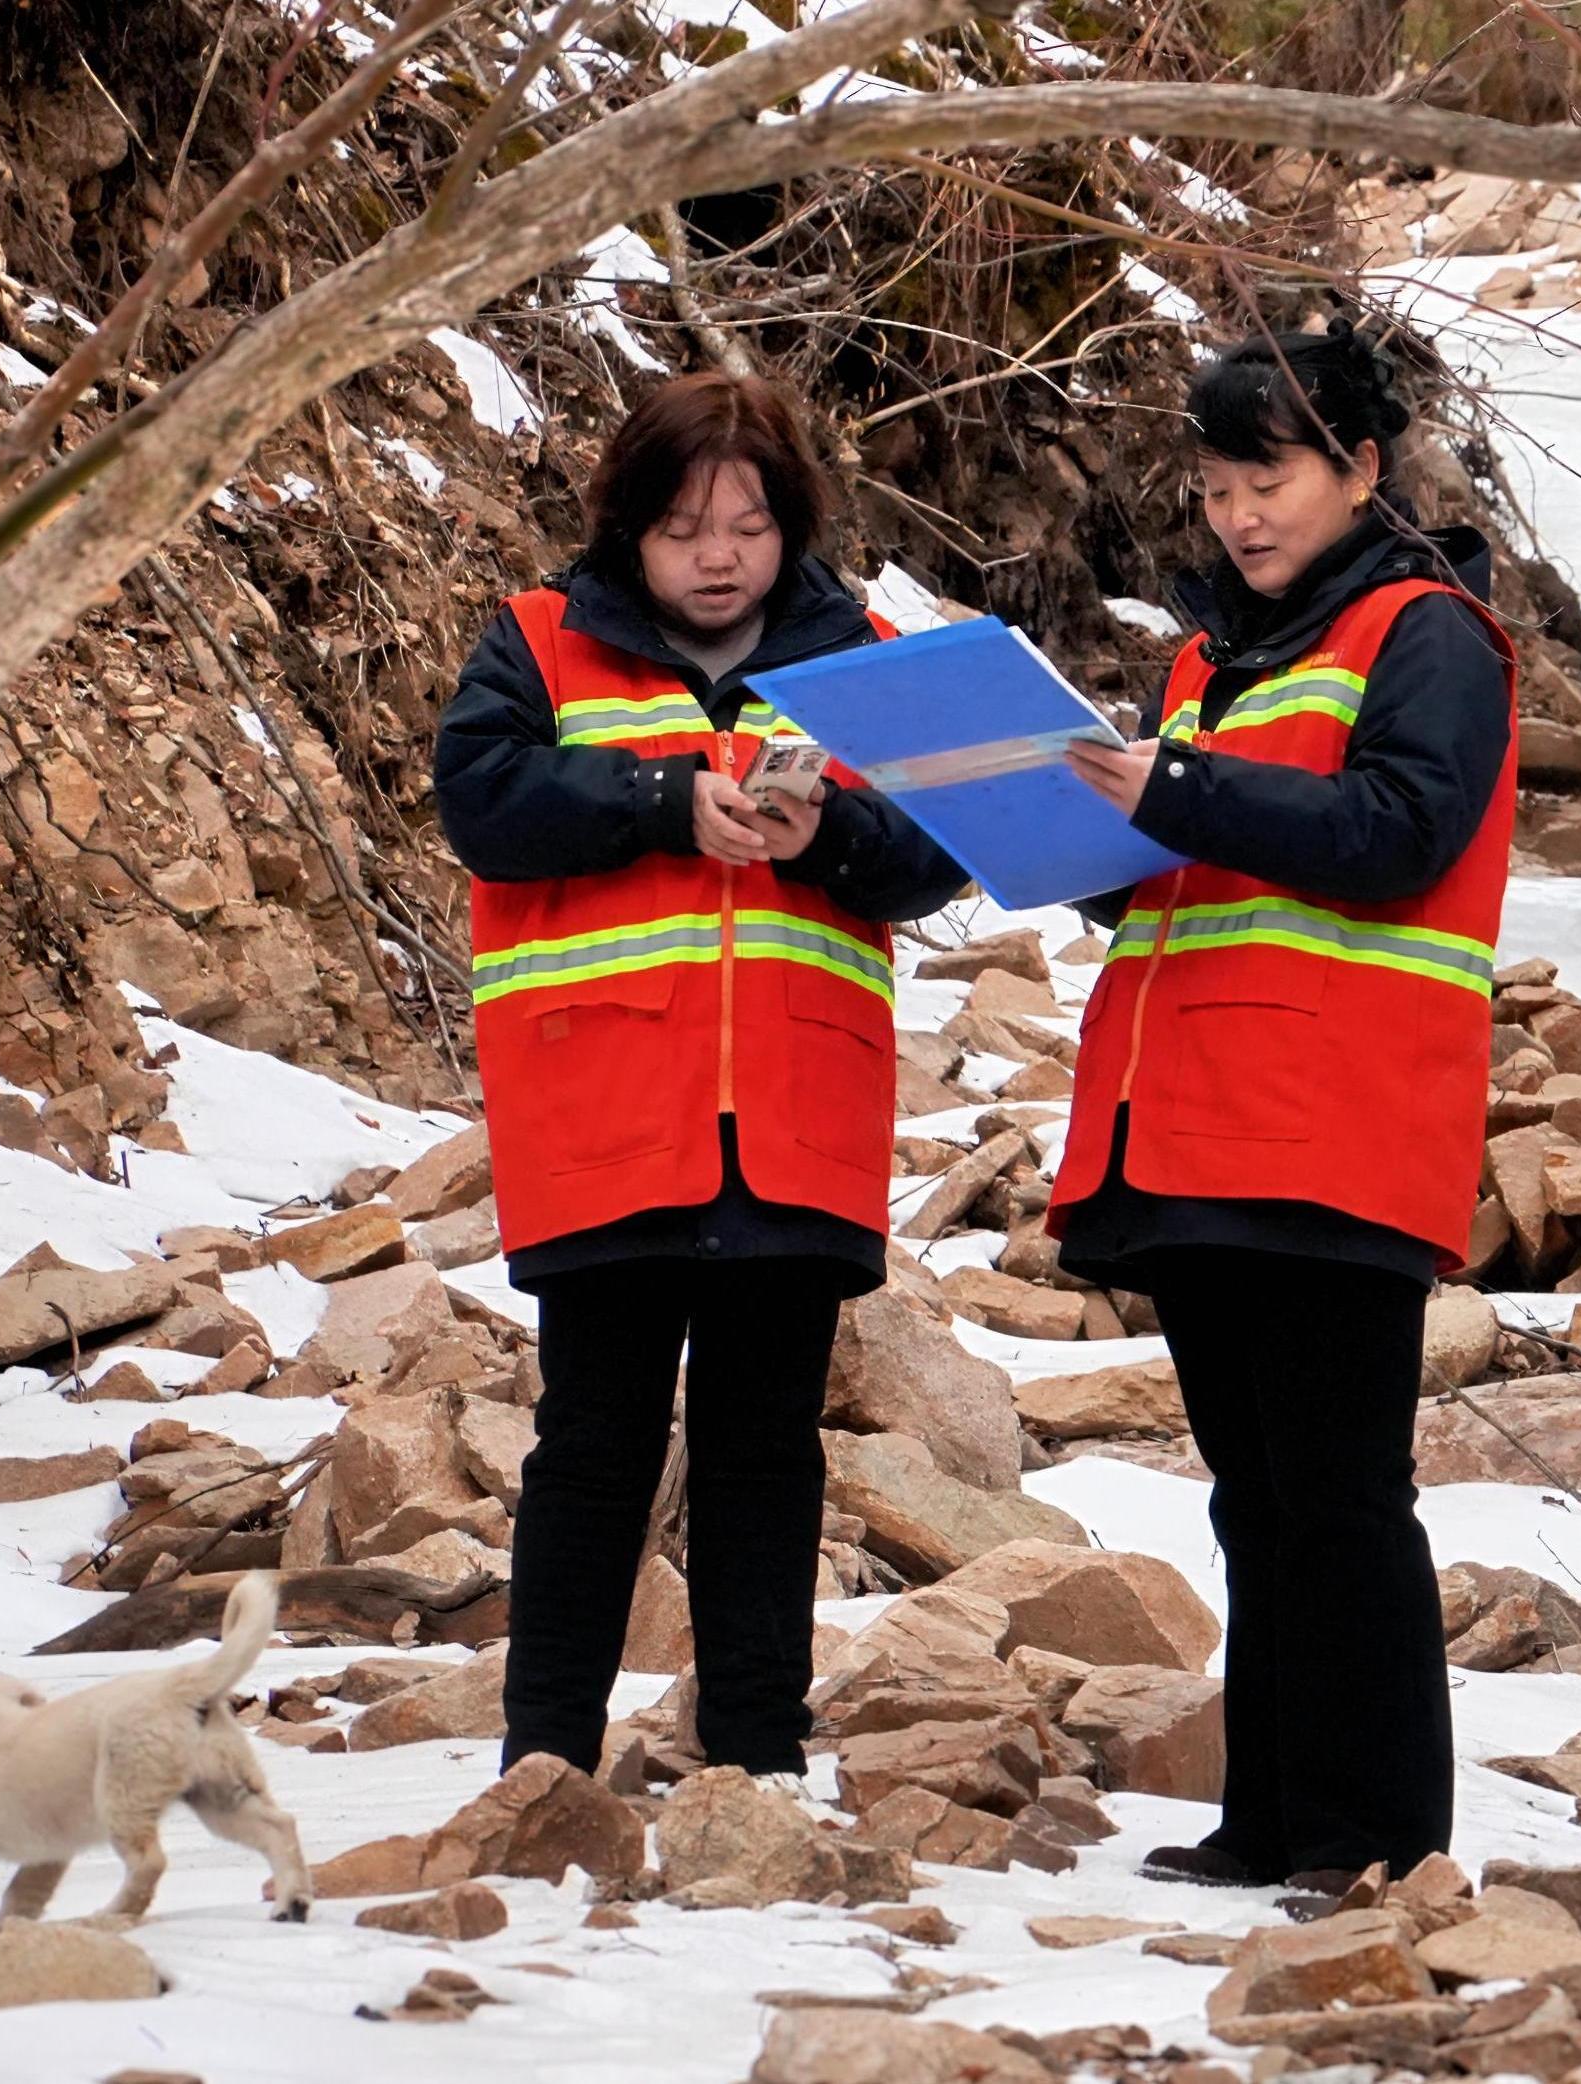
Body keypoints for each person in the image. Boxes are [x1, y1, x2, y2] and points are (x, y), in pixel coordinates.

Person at [436, 372, 969, 1786]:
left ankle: (756, 1760)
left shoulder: (864, 656)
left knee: (763, 1448)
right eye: (683, 528)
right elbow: (481, 804)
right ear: (630, 531)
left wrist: (823, 837)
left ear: (790, 524)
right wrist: (665, 802)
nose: (718, 555)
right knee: (594, 1441)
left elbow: (941, 851)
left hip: (795, 1123)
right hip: (605, 1114)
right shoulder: (541, 642)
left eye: (746, 524)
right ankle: (544, 1760)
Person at [1045, 327, 1517, 1892]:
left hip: (1336, 1122)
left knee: (1339, 1500)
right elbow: (1203, 877)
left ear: (1361, 470)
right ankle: (1278, 1819)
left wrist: (1172, 798)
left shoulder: (1427, 632)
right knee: (1262, 1500)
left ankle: (1381, 1836)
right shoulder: (1213, 656)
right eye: (1216, 482)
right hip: (1197, 1122)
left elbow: (1396, 833)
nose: (1240, 513)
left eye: (1272, 478)